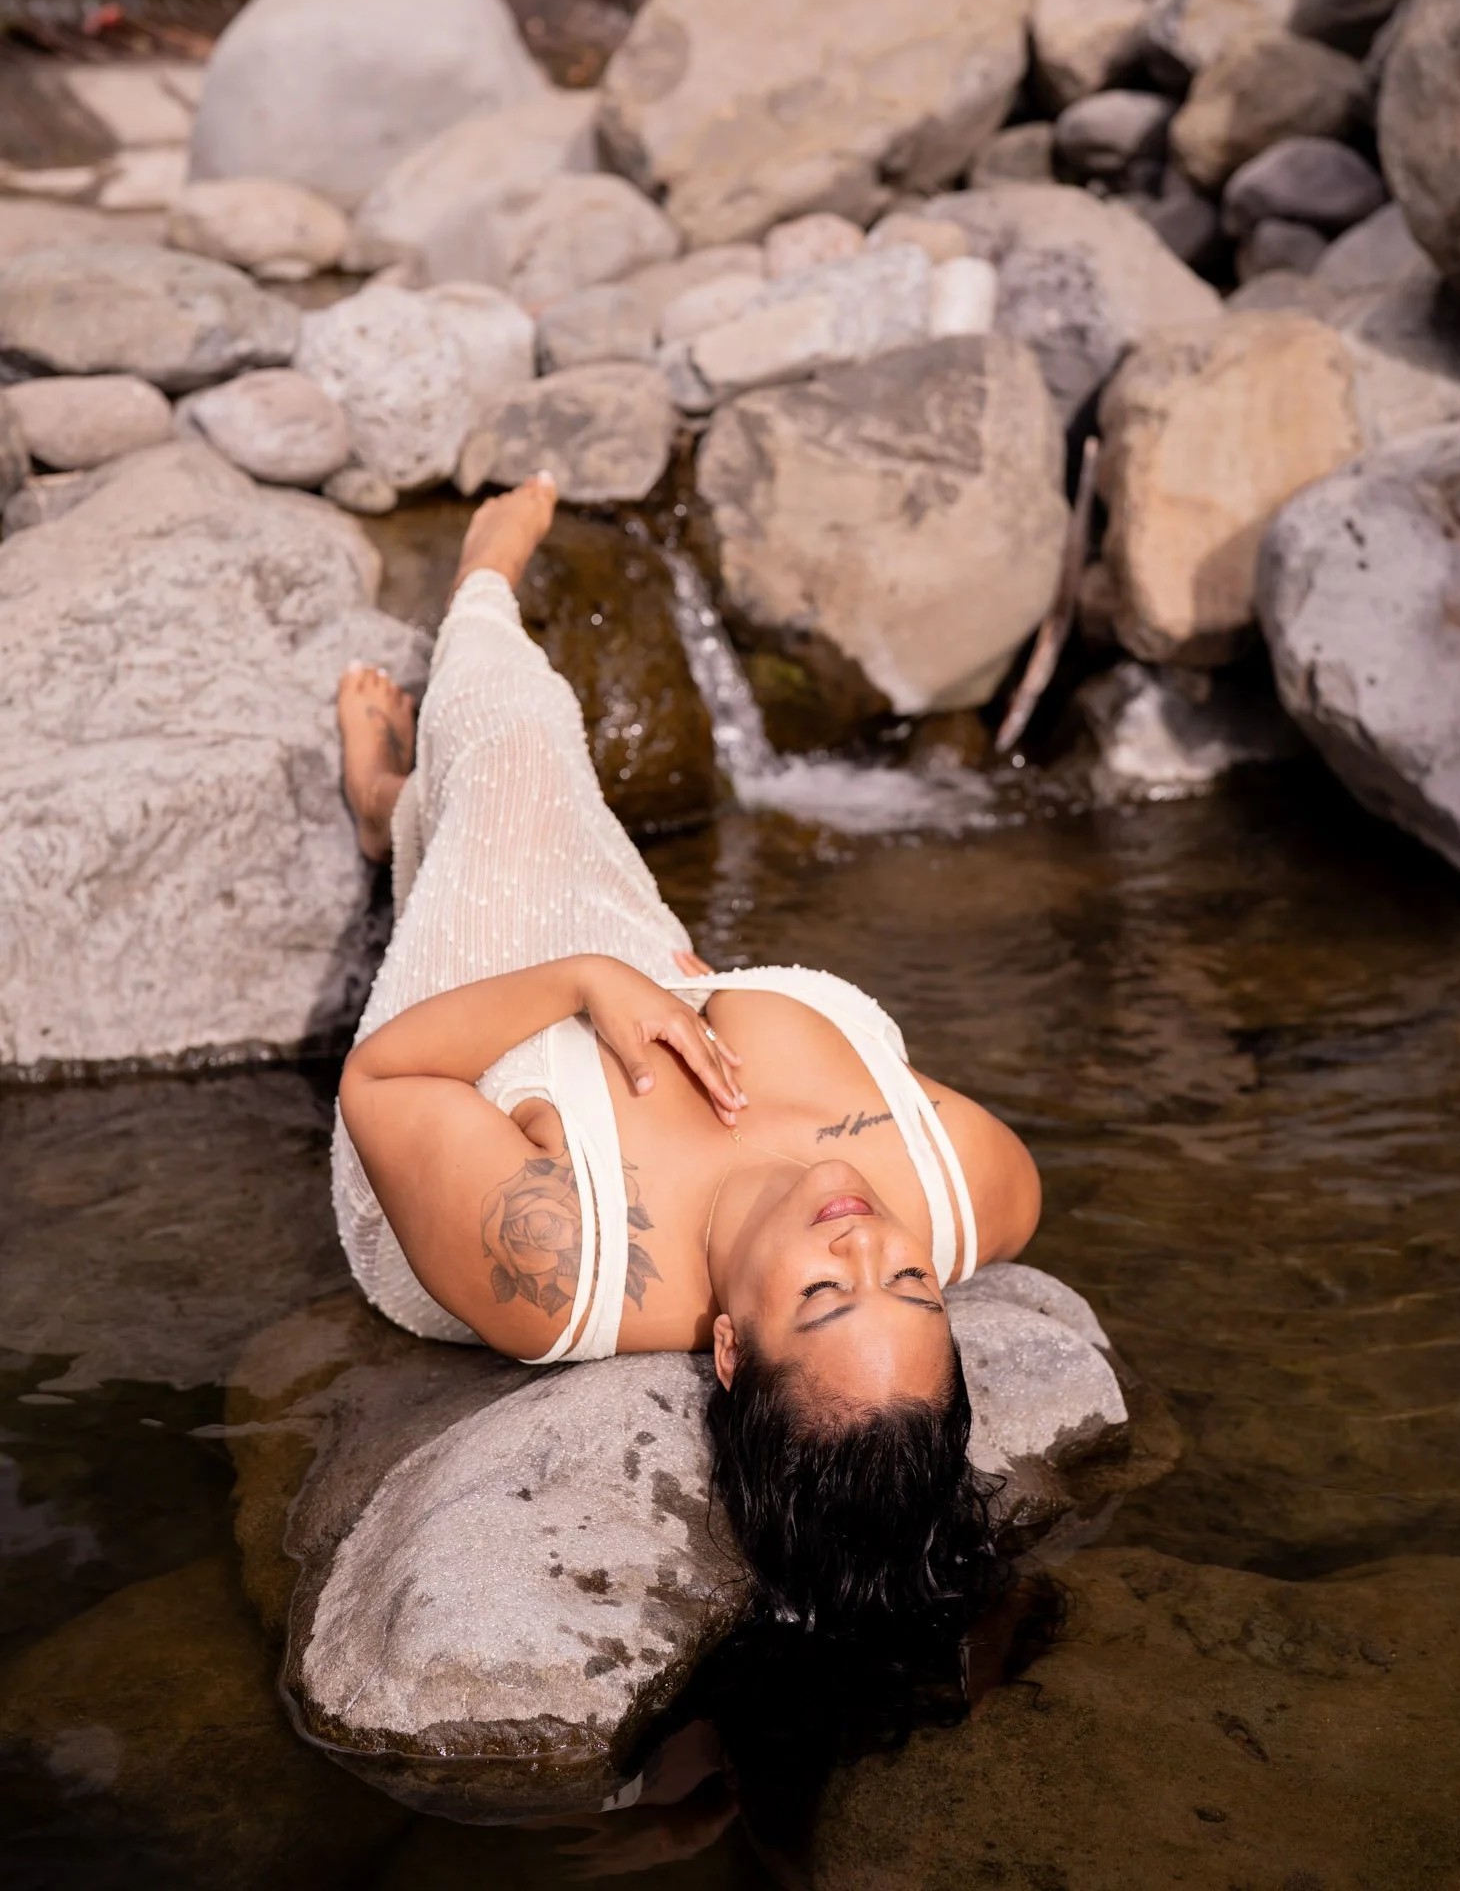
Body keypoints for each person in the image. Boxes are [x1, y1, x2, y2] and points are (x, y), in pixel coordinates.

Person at [333, 476, 1041, 1628]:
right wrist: (671, 982)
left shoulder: (557, 1263)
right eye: (911, 1282)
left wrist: (581, 981)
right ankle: (389, 808)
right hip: (650, 970)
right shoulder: (982, 1190)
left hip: (437, 1084)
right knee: (569, 853)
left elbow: (387, 1076)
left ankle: (480, 587)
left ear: (725, 1345)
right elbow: (897, 1145)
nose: (864, 1241)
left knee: (517, 764)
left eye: (824, 1293)